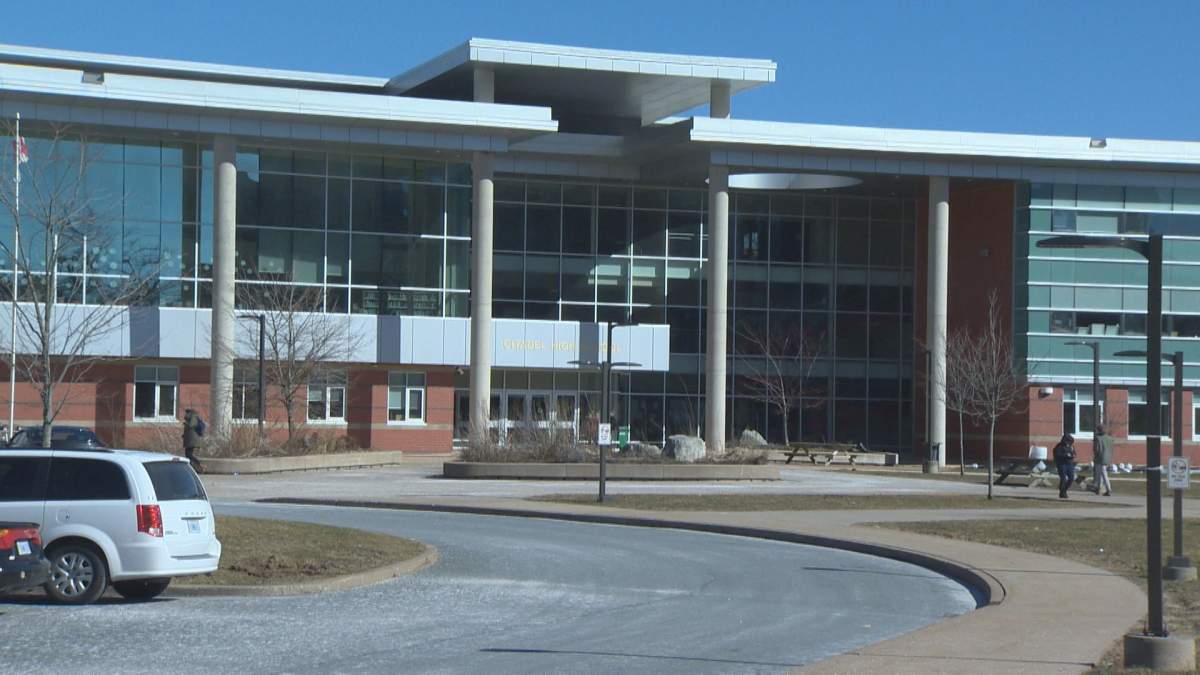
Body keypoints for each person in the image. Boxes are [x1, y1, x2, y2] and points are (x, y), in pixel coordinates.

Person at [1092, 425, 1114, 496]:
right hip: (1107, 457)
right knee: (1101, 473)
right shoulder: (1110, 438)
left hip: (1100, 458)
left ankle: (1108, 489)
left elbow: (1096, 449)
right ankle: (1100, 489)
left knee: (1103, 474)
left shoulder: (1098, 438)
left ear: (1098, 430)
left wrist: (1095, 457)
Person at [1053, 433, 1077, 499]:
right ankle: (1062, 492)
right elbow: (1057, 455)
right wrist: (1065, 455)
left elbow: (1074, 453)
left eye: (1070, 442)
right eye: (1068, 441)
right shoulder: (1059, 446)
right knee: (1063, 479)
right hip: (1062, 464)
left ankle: (1064, 490)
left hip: (1070, 464)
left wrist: (1073, 455)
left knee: (1071, 478)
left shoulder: (1071, 446)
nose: (1068, 443)